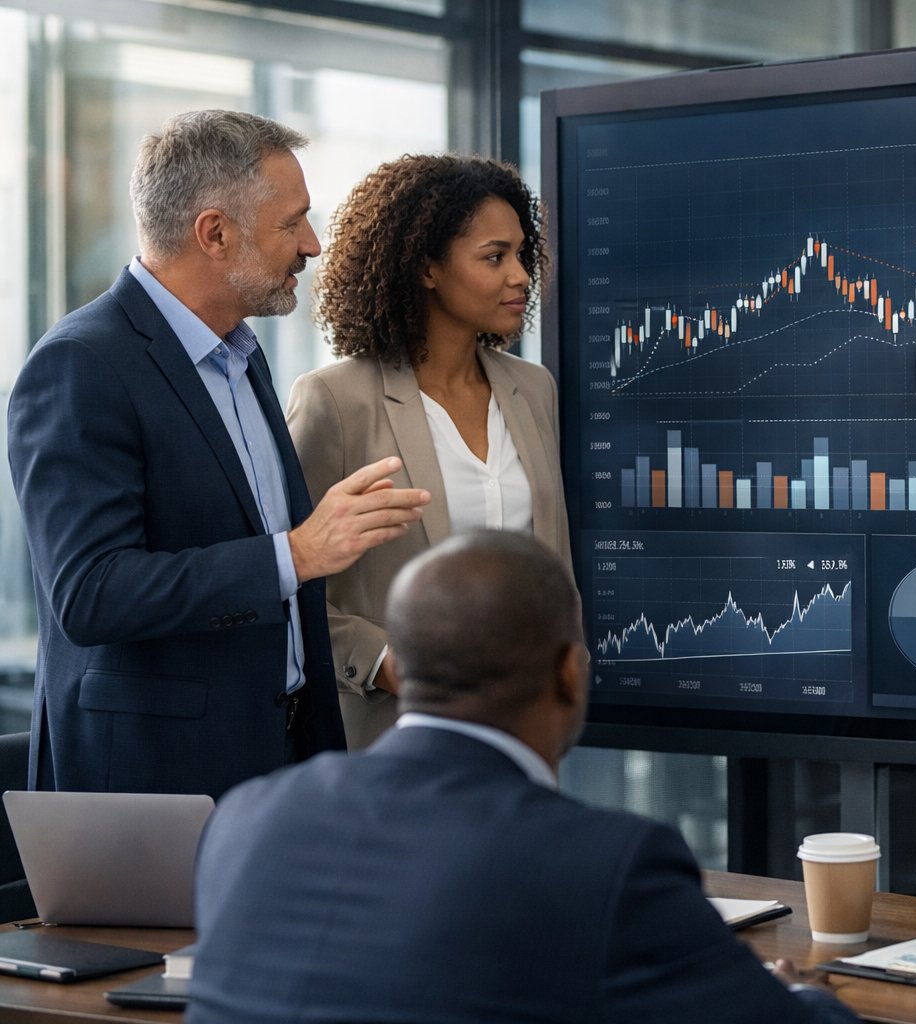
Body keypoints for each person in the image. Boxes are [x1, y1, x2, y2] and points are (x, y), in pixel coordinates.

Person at [187, 531, 857, 1024]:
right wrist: (806, 997)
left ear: (407, 669)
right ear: (570, 673)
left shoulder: (248, 817)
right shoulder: (604, 865)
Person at [6, 110, 430, 797]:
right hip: (158, 782)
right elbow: (91, 594)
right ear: (215, 232)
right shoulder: (81, 366)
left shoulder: (241, 354)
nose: (314, 245)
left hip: (288, 755)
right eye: (292, 223)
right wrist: (294, 555)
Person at [287, 153, 570, 749]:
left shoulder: (533, 389)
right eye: (495, 257)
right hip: (391, 734)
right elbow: (294, 586)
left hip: (522, 728)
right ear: (426, 269)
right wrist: (386, 661)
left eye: (522, 254)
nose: (520, 275)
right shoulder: (336, 402)